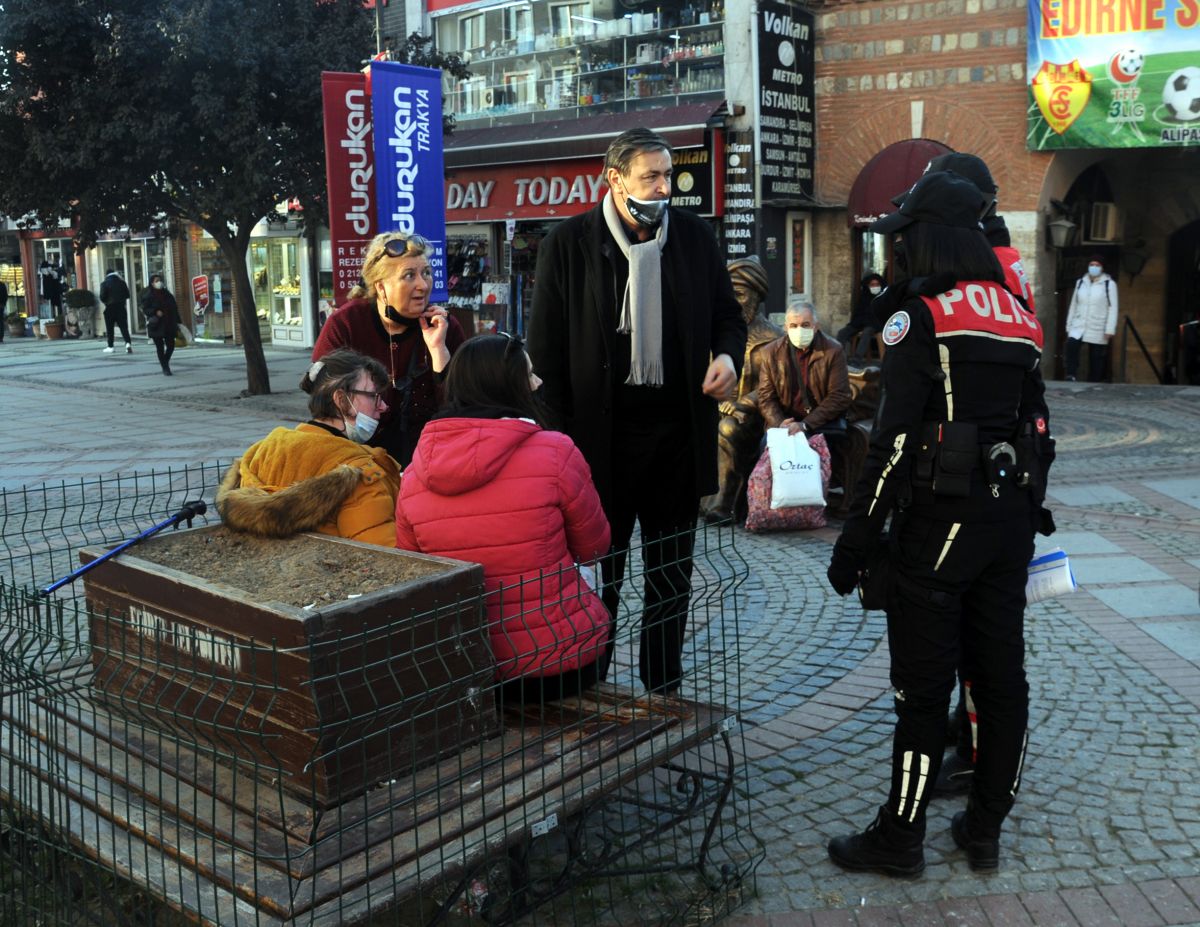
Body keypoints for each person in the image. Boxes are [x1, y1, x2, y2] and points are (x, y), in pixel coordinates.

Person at [825, 171, 1054, 876]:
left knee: (923, 693)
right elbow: (1039, 428)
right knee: (999, 678)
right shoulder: (1018, 313)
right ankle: (983, 828)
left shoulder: (921, 317)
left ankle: (901, 836)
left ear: (928, 239)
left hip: (937, 528)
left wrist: (855, 541)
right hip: (1008, 523)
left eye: (906, 239)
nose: (898, 253)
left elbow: (892, 445)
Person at [527, 127, 746, 694]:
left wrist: (726, 356)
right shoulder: (568, 242)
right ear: (615, 179)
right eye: (650, 176)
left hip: (677, 434)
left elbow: (729, 315)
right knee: (603, 573)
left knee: (670, 574)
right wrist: (559, 445)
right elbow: (545, 354)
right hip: (601, 443)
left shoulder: (694, 238)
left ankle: (662, 683)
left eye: (668, 175)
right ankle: (590, 679)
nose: (663, 187)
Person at [394, 334, 611, 705]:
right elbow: (595, 546)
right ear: (508, 386)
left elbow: (414, 571)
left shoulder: (413, 475)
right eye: (529, 375)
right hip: (557, 661)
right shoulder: (556, 451)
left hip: (465, 670)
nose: (539, 383)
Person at [215, 349, 401, 547]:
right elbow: (383, 557)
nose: (384, 406)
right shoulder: (360, 473)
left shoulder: (262, 453)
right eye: (374, 396)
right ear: (341, 400)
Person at [312, 231, 465, 467]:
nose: (423, 285)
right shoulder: (346, 325)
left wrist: (438, 352)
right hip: (357, 460)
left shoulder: (445, 327)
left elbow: (460, 406)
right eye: (409, 275)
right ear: (380, 286)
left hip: (429, 460)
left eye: (426, 273)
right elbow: (324, 403)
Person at [705, 255, 783, 522]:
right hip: (716, 408)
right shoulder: (716, 333)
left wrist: (741, 404)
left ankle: (723, 504)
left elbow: (773, 385)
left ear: (757, 296)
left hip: (755, 416)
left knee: (728, 429)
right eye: (730, 294)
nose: (735, 302)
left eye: (740, 294)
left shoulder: (774, 338)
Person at [759, 298, 852, 440]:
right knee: (771, 453)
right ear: (785, 327)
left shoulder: (832, 351)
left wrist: (805, 425)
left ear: (816, 326)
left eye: (805, 325)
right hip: (784, 423)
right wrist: (780, 423)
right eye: (793, 325)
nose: (799, 330)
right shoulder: (770, 352)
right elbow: (766, 396)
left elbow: (839, 396)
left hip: (819, 423)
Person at [1064, 255, 1117, 382]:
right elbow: (1074, 304)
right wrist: (1069, 324)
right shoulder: (1080, 282)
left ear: (1102, 268)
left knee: (1096, 356)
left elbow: (1113, 307)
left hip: (1098, 324)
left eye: (1097, 265)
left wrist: (1110, 329)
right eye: (1091, 264)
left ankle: (1094, 380)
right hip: (1079, 323)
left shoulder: (1109, 284)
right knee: (1072, 346)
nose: (1094, 267)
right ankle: (1071, 374)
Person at [837, 273, 886, 364]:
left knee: (867, 332)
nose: (875, 287)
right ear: (868, 286)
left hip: (875, 324)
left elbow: (882, 314)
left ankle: (857, 359)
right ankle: (839, 358)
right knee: (842, 333)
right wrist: (856, 324)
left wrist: (869, 322)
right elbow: (858, 313)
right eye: (872, 285)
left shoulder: (883, 297)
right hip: (860, 323)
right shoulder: (864, 297)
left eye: (877, 284)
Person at [140, 273, 181, 375]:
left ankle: (165, 361)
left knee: (171, 345)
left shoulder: (167, 294)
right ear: (152, 283)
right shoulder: (148, 295)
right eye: (156, 281)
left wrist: (179, 322)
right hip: (156, 325)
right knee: (160, 347)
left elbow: (174, 308)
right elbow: (145, 309)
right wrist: (155, 311)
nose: (159, 282)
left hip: (169, 323)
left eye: (160, 280)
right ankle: (165, 368)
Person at [99, 267, 133, 354]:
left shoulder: (104, 283)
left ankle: (110, 346)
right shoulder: (122, 283)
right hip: (121, 307)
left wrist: (107, 302)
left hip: (110, 308)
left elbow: (102, 297)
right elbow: (127, 295)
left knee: (110, 328)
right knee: (124, 327)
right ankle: (128, 343)